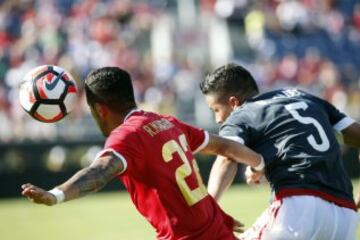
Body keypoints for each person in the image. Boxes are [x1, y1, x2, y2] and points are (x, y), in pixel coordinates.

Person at [21, 67, 264, 240]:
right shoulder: (167, 122)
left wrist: (56, 195)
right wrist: (260, 163)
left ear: (100, 110)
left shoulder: (126, 136)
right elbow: (226, 146)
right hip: (217, 230)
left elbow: (100, 171)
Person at [199, 63, 360, 240]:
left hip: (298, 207)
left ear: (233, 103)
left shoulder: (242, 113)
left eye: (216, 109)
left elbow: (227, 155)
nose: (217, 118)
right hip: (345, 215)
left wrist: (208, 208)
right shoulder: (307, 97)